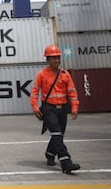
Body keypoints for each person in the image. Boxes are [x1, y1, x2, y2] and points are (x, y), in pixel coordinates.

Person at [30, 44, 81, 174]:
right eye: (53, 58)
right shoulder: (41, 74)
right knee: (57, 134)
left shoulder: (65, 75)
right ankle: (66, 162)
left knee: (59, 135)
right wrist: (35, 107)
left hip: (63, 108)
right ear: (47, 59)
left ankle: (49, 153)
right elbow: (35, 92)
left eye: (58, 57)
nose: (56, 60)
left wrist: (74, 108)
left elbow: (72, 92)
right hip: (49, 108)